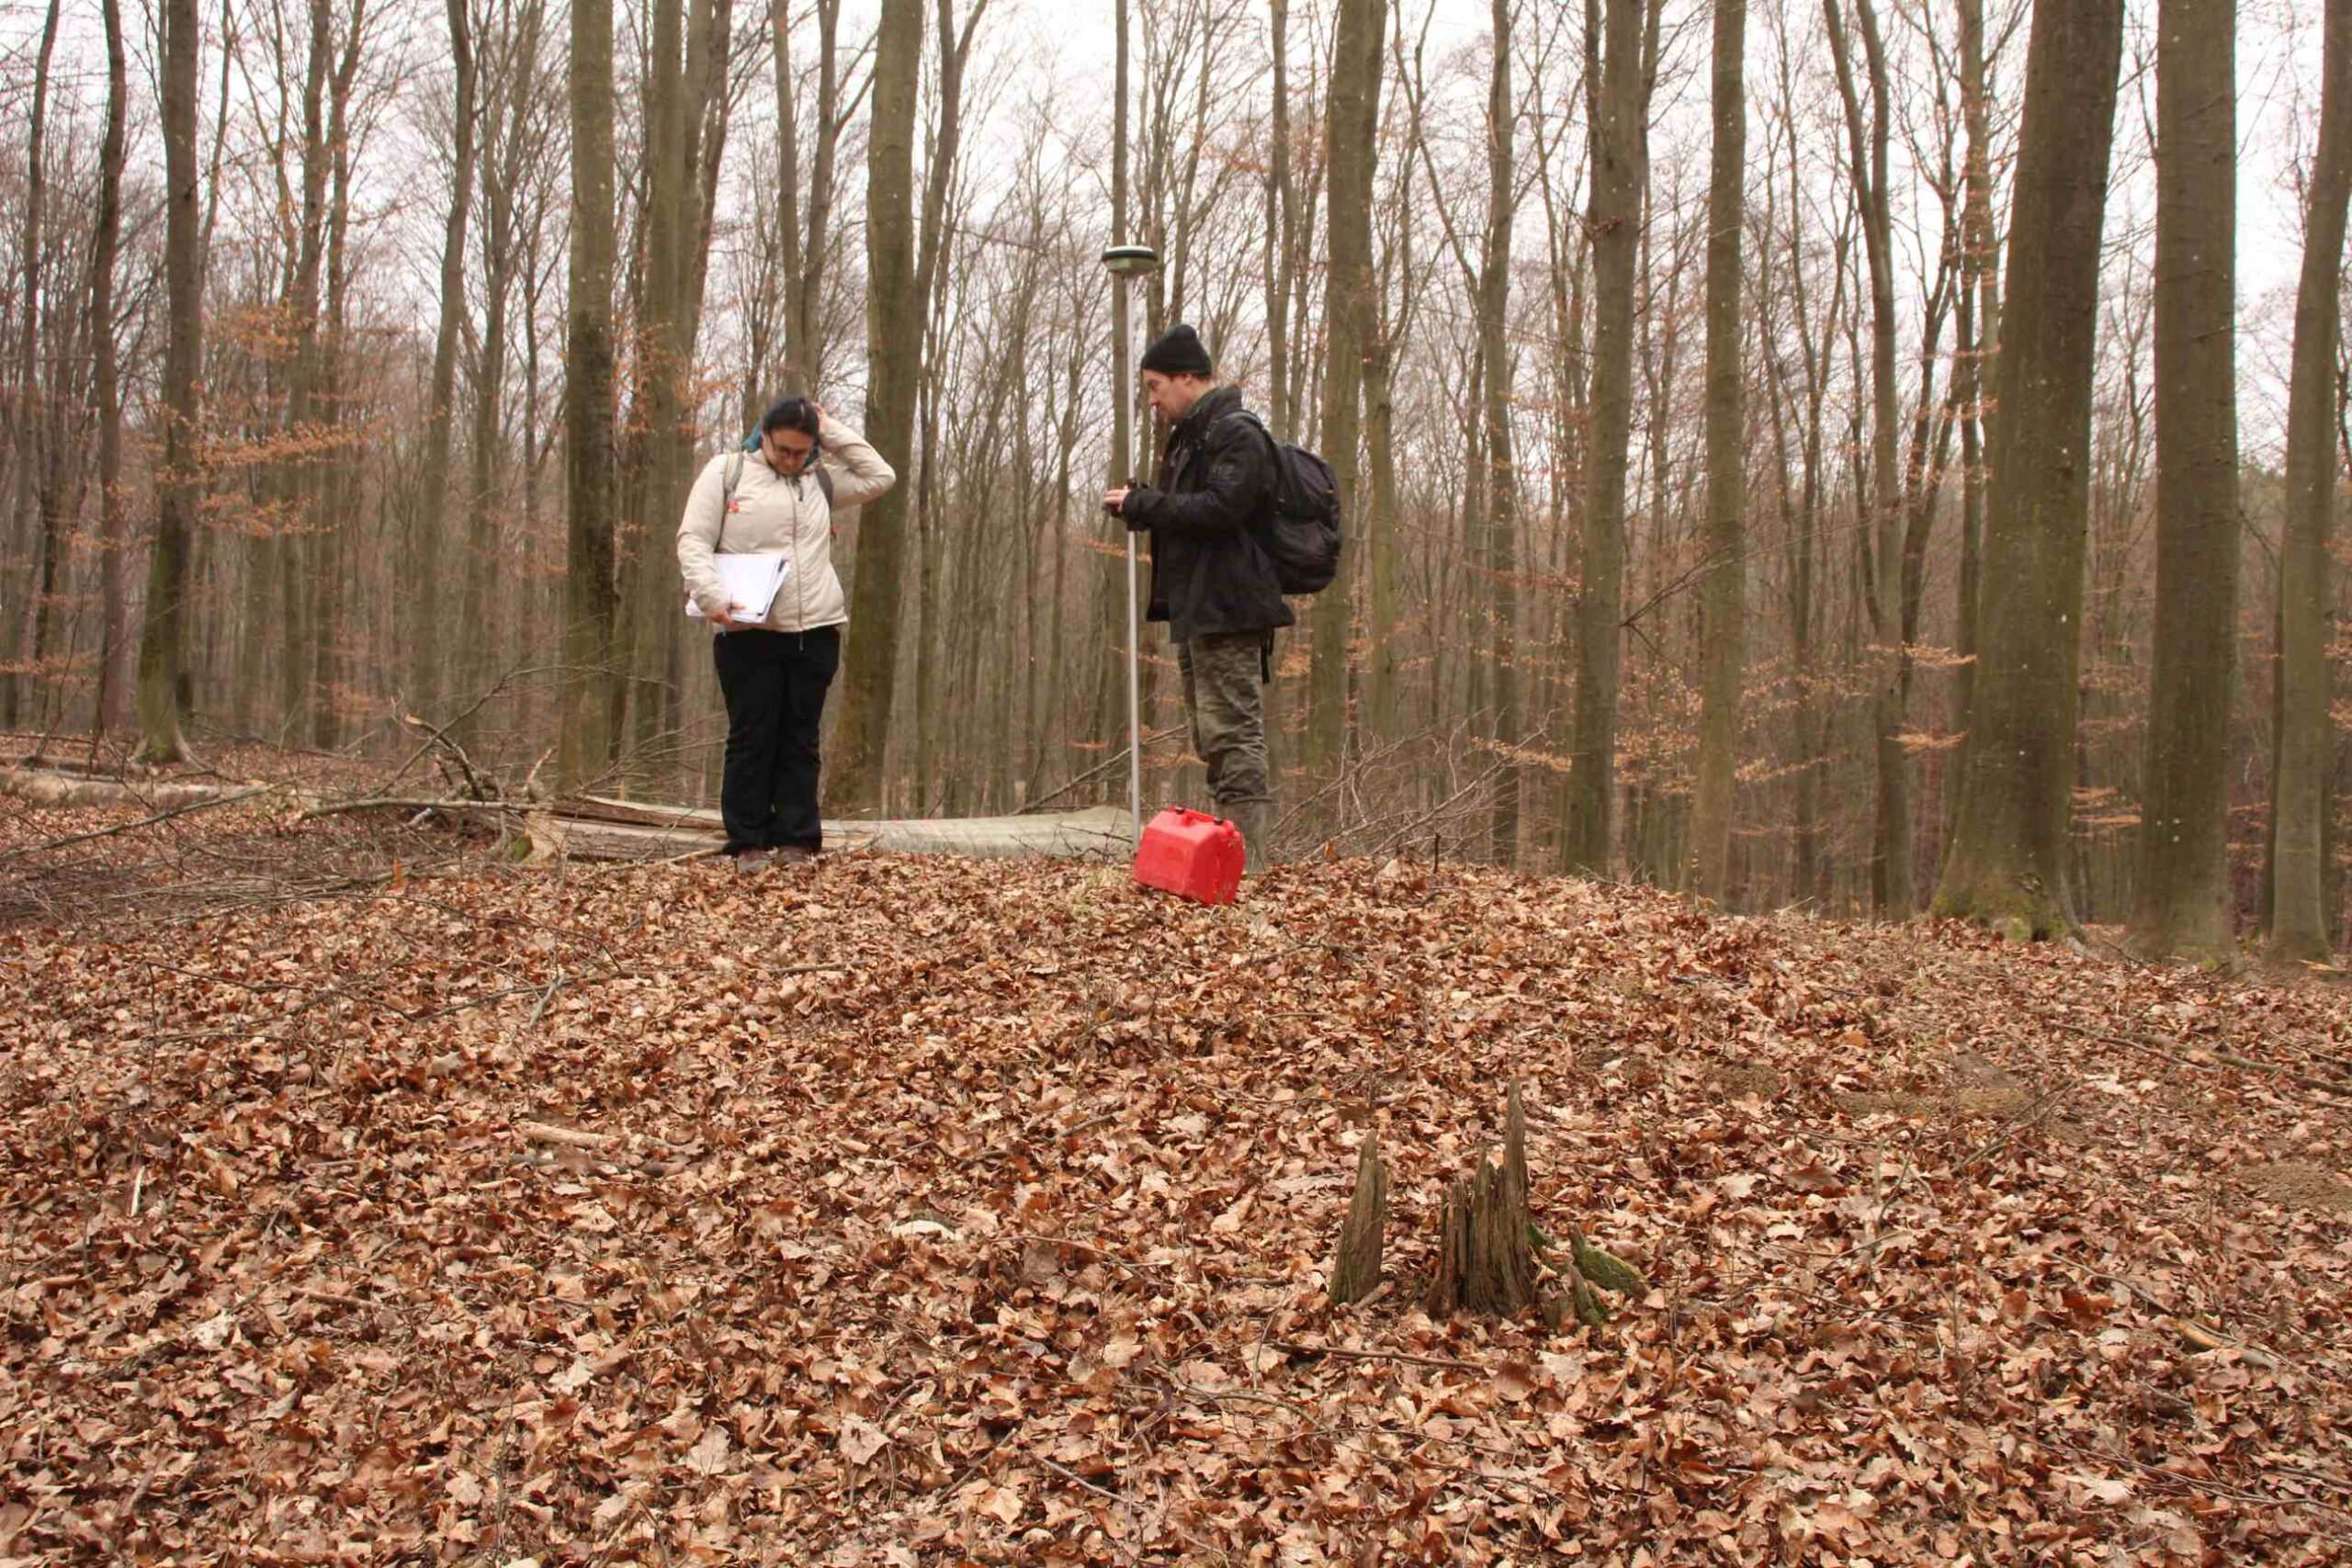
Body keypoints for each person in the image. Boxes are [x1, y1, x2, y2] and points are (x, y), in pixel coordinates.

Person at [1102, 323, 1291, 871]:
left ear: (1189, 377)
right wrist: (1140, 503)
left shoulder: (1236, 433)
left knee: (1233, 731)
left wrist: (1148, 506)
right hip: (1198, 607)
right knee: (1211, 733)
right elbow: (1186, 511)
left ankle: (1248, 863)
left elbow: (1220, 509)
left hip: (1230, 606)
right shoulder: (1191, 437)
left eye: (1158, 387)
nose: (1154, 400)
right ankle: (1228, 858)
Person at [678, 396, 896, 869]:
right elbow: (692, 538)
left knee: (801, 737)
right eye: (782, 451)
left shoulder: (818, 480)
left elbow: (880, 476)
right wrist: (712, 596)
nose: (791, 460)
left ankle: (798, 838)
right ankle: (747, 840)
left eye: (801, 451)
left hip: (815, 628)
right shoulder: (727, 471)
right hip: (747, 628)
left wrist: (828, 425)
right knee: (752, 735)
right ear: (764, 437)